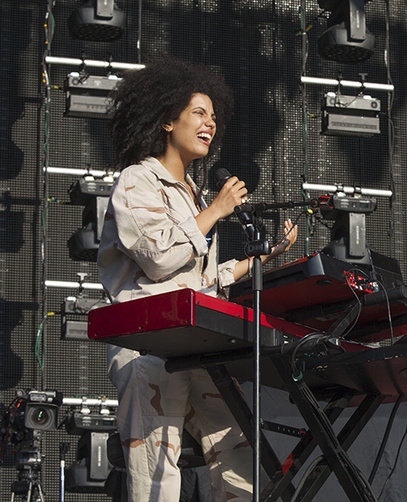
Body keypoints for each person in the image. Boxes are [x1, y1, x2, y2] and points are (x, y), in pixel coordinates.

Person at [97, 55, 297, 502]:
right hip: (149, 346)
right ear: (168, 120)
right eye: (198, 113)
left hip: (198, 342)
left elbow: (198, 280)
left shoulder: (195, 195)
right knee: (156, 476)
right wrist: (215, 212)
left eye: (213, 116)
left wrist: (262, 259)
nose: (210, 124)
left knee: (240, 454)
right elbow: (160, 261)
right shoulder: (137, 181)